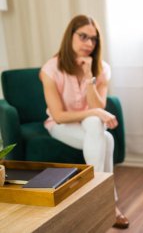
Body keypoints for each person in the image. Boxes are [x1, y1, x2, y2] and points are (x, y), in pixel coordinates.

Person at [39, 14, 129, 229]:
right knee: (105, 138)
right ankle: (109, 203)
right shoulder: (50, 70)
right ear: (70, 36)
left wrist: (89, 76)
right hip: (61, 126)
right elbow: (58, 115)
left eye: (94, 39)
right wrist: (96, 113)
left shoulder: (102, 68)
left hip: (90, 126)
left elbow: (98, 105)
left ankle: (95, 199)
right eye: (83, 37)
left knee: (97, 127)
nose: (89, 43)